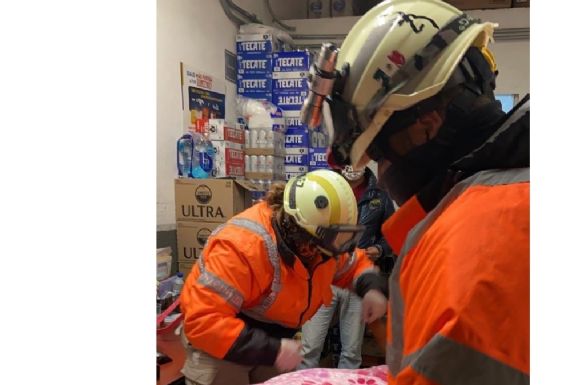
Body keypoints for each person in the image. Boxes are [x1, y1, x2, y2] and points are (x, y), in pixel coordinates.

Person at [320, 0, 530, 383]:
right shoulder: (518, 189)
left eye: (378, 154)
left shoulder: (468, 244)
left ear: (425, 127)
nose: (380, 176)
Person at [179, 169, 389, 385]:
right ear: (299, 231)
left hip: (272, 341)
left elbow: (352, 264)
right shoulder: (242, 246)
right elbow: (203, 320)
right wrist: (272, 350)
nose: (331, 253)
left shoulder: (321, 241)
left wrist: (371, 287)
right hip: (221, 343)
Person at [298, 166, 395, 370]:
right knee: (309, 346)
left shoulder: (379, 193)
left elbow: (391, 233)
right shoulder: (326, 187)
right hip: (326, 273)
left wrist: (379, 249)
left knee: (352, 350)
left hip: (359, 277)